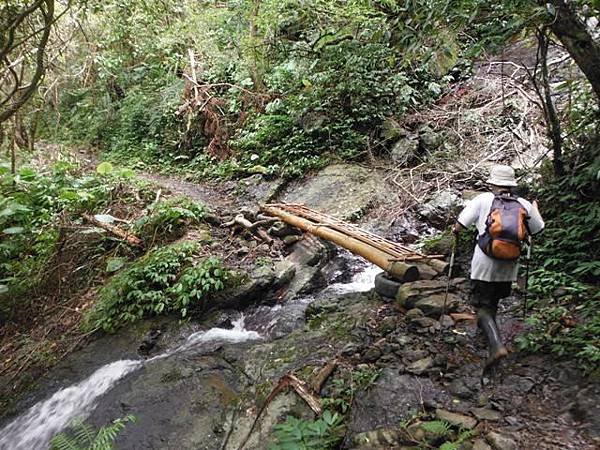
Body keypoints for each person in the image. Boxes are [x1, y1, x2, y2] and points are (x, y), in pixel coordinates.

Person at [452, 165, 544, 369]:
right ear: (512, 184)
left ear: (492, 183)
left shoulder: (483, 199)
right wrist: (534, 209)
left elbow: (460, 226)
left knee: (481, 306)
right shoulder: (523, 203)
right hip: (509, 265)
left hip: (484, 263)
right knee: (492, 300)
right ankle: (488, 336)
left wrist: (455, 229)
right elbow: (538, 229)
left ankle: (496, 346)